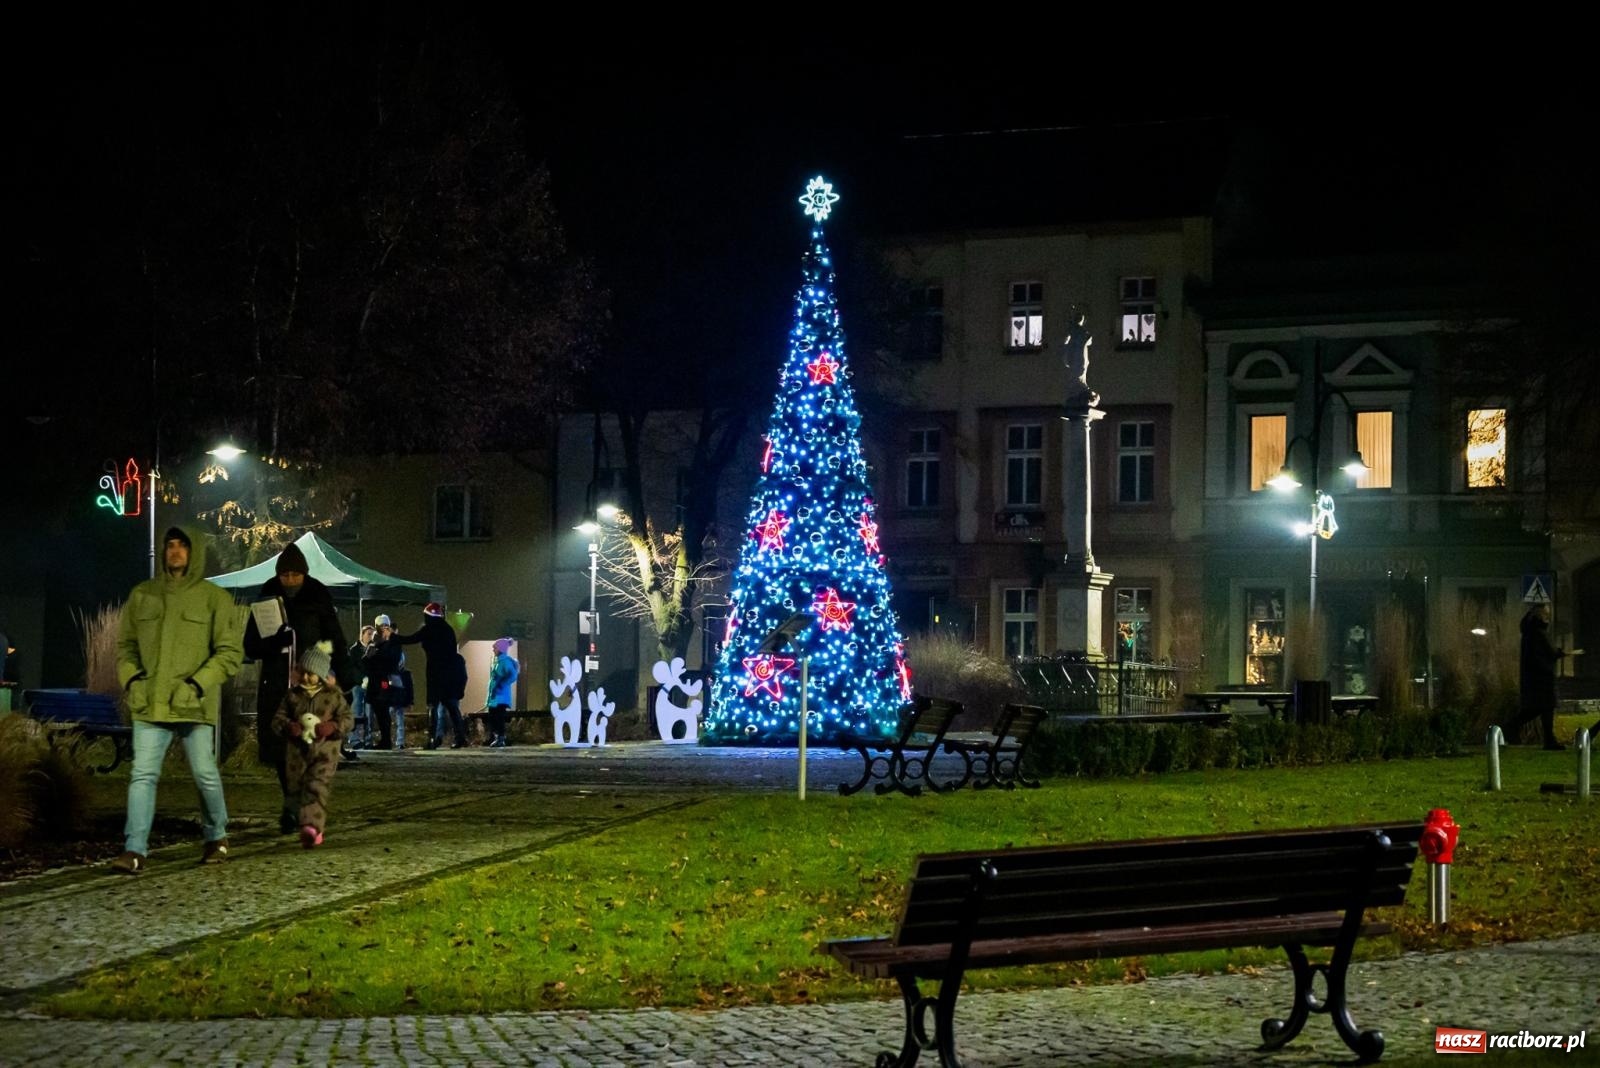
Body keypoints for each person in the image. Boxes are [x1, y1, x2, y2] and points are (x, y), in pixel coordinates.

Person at [111, 526, 243, 873]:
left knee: (204, 773)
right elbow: (125, 647)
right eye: (169, 545)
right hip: (150, 702)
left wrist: (198, 684)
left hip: (193, 704)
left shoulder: (214, 598)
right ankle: (135, 849)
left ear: (193, 551)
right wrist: (133, 680)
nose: (175, 551)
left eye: (182, 546)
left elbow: (229, 652)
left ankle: (216, 836)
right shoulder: (142, 595)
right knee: (142, 775)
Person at [243, 541, 349, 833]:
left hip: (310, 686)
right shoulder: (267, 596)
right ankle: (293, 804)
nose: (289, 581)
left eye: (295, 575)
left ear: (304, 574)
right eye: (285, 575)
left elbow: (334, 637)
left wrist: (343, 675)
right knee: (283, 749)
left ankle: (300, 807)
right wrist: (271, 642)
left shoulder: (317, 596)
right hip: (277, 684)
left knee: (309, 747)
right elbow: (251, 645)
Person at [269, 642, 353, 848]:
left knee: (317, 786)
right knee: (297, 788)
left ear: (322, 675)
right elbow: (277, 719)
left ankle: (312, 827)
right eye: (303, 672)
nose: (306, 677)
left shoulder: (333, 696)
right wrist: (289, 727)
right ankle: (297, 817)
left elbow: (348, 719)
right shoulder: (293, 696)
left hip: (326, 752)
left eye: (312, 674)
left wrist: (333, 727)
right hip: (297, 755)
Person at [398, 602, 467, 749]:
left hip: (435, 673)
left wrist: (392, 637)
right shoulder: (448, 630)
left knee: (433, 706)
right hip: (450, 673)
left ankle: (432, 739)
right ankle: (460, 737)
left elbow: (410, 639)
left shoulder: (428, 629)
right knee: (452, 706)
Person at [1509, 603, 1566, 750]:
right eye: (1546, 613)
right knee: (1538, 708)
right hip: (1541, 678)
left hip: (1536, 677)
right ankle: (1507, 730)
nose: (1548, 617)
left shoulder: (1530, 631)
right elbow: (1544, 653)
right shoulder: (1536, 632)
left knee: (1543, 708)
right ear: (1539, 614)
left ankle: (1549, 740)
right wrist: (1556, 654)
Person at [363, 614, 406, 749]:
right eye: (380, 626)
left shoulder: (392, 642)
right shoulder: (375, 642)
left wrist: (376, 654)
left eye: (384, 626)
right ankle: (385, 740)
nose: (382, 629)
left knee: (384, 711)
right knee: (379, 711)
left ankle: (386, 740)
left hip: (384, 681)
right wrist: (370, 654)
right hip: (375, 681)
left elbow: (391, 660)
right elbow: (366, 661)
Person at [485, 637, 519, 748]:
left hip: (500, 696)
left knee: (498, 718)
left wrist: (501, 684)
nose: (493, 649)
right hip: (496, 696)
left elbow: (513, 675)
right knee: (493, 717)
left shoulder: (504, 662)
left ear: (500, 649)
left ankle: (500, 737)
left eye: (495, 647)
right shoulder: (498, 661)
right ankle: (496, 737)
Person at [345, 625, 375, 750]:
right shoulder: (354, 650)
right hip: (357, 685)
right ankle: (354, 739)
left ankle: (368, 740)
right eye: (368, 634)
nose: (370, 637)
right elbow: (352, 668)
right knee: (356, 712)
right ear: (361, 635)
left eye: (372, 634)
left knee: (369, 712)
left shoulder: (373, 650)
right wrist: (361, 679)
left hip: (371, 685)